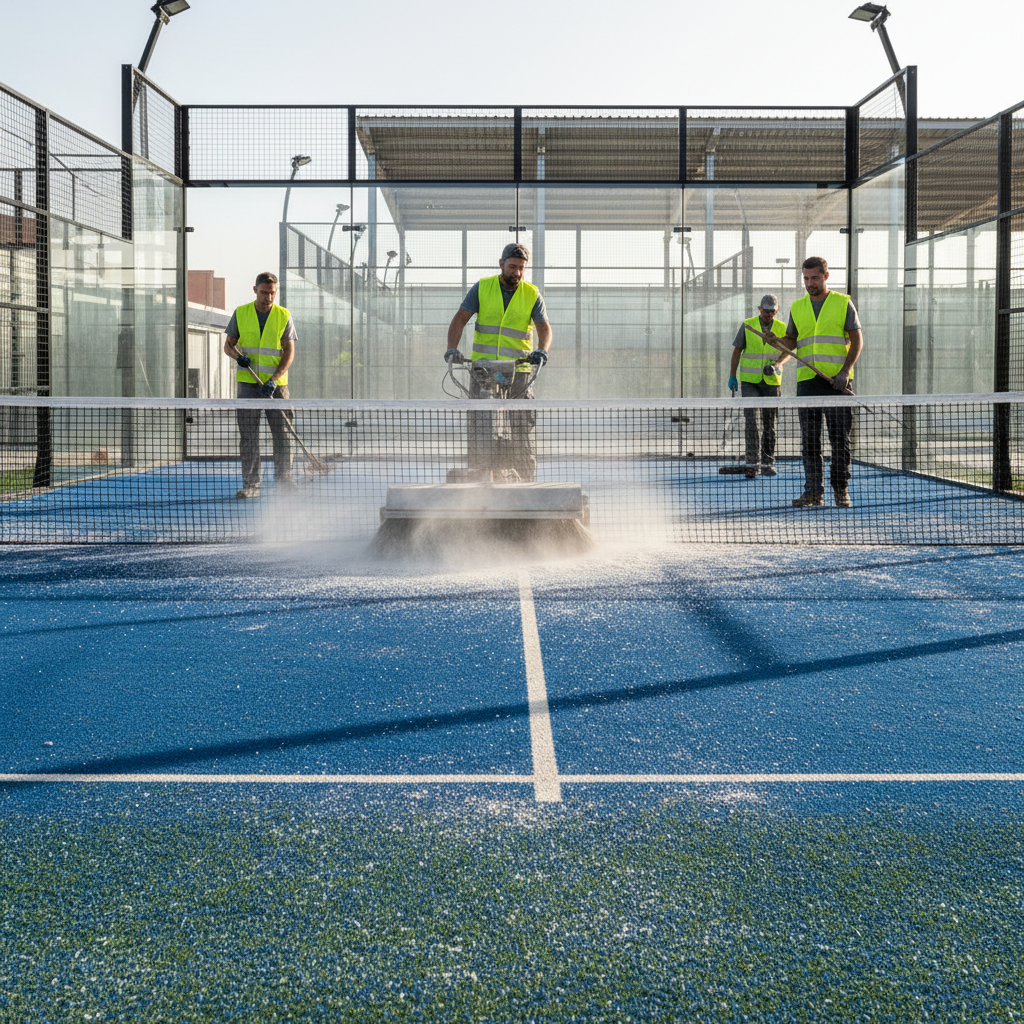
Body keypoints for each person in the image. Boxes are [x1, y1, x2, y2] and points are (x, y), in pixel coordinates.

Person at [752, 256, 863, 508]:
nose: (809, 283)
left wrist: (845, 372)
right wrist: (777, 340)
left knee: (840, 441)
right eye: (805, 278)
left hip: (838, 383)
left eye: (814, 278)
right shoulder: (798, 307)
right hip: (808, 382)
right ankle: (813, 492)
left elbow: (857, 341)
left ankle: (841, 491)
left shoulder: (842, 303)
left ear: (826, 276)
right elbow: (792, 339)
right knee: (810, 441)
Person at [443, 242, 552, 482]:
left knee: (520, 428)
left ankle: (525, 482)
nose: (517, 273)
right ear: (501, 264)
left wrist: (541, 351)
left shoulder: (532, 294)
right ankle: (480, 479)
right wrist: (452, 350)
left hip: (520, 373)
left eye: (522, 268)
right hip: (483, 371)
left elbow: (545, 330)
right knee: (481, 427)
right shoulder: (483, 288)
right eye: (512, 267)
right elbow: (460, 319)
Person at [223, 271, 297, 499]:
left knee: (283, 435)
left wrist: (274, 380)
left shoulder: (284, 315)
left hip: (277, 387)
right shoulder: (241, 313)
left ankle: (284, 482)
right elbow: (228, 346)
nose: (268, 297)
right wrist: (238, 357)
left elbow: (289, 352)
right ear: (255, 290)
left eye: (272, 293)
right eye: (264, 292)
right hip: (248, 385)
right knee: (249, 436)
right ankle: (251, 485)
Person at [728, 293, 791, 476]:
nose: (769, 314)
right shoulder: (748, 325)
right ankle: (752, 463)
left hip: (771, 381)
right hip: (750, 382)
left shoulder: (781, 328)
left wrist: (777, 364)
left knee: (770, 423)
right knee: (751, 422)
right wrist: (732, 376)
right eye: (765, 310)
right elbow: (737, 351)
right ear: (759, 309)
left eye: (772, 311)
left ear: (776, 310)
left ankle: (768, 462)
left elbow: (788, 351)